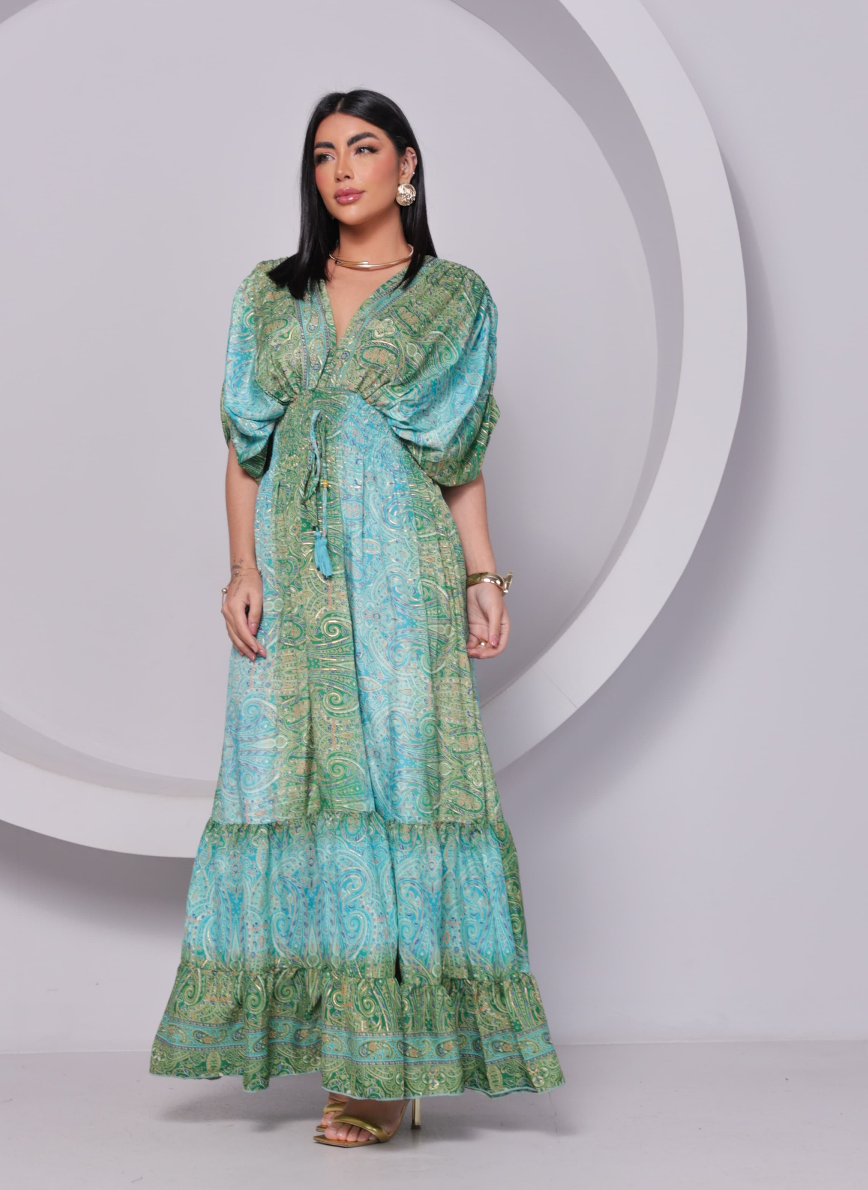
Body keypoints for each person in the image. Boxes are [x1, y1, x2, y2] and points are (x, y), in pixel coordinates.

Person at [149, 88, 563, 1146]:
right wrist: (241, 567)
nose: (341, 170)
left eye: (364, 148)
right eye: (324, 153)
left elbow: (459, 454)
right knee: (287, 785)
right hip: (292, 577)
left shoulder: (452, 297)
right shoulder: (270, 292)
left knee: (400, 784)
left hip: (401, 572)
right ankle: (340, 1049)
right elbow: (244, 447)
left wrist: (484, 577)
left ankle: (387, 1070)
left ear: (406, 166)